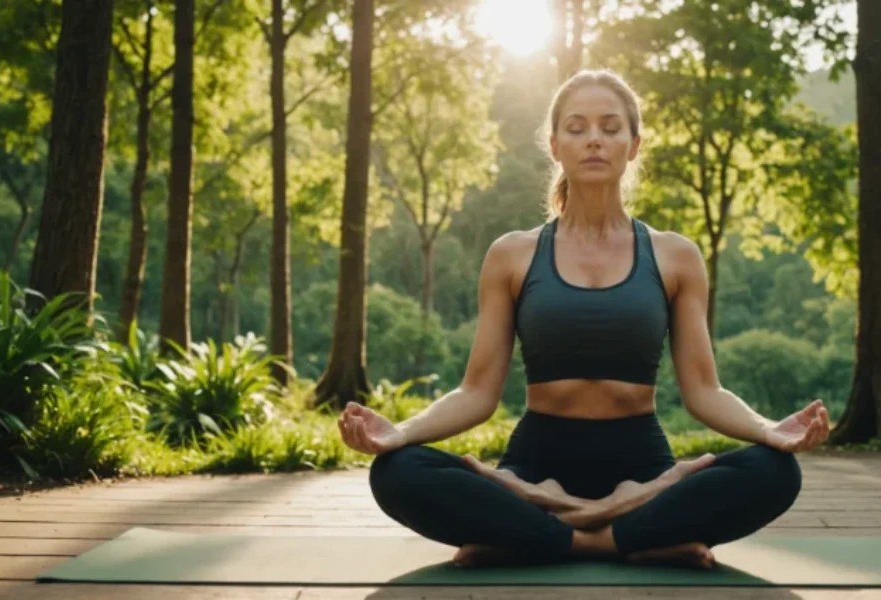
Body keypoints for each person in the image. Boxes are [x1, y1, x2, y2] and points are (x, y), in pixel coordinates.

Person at [337, 68, 830, 570]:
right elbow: (477, 393)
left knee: (776, 472)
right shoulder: (512, 255)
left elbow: (704, 391)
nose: (594, 139)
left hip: (640, 461)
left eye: (610, 128)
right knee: (397, 472)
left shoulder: (675, 256)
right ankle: (622, 535)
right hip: (537, 459)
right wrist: (400, 434)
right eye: (577, 128)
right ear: (554, 144)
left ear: (634, 145)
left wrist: (769, 430)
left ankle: (536, 534)